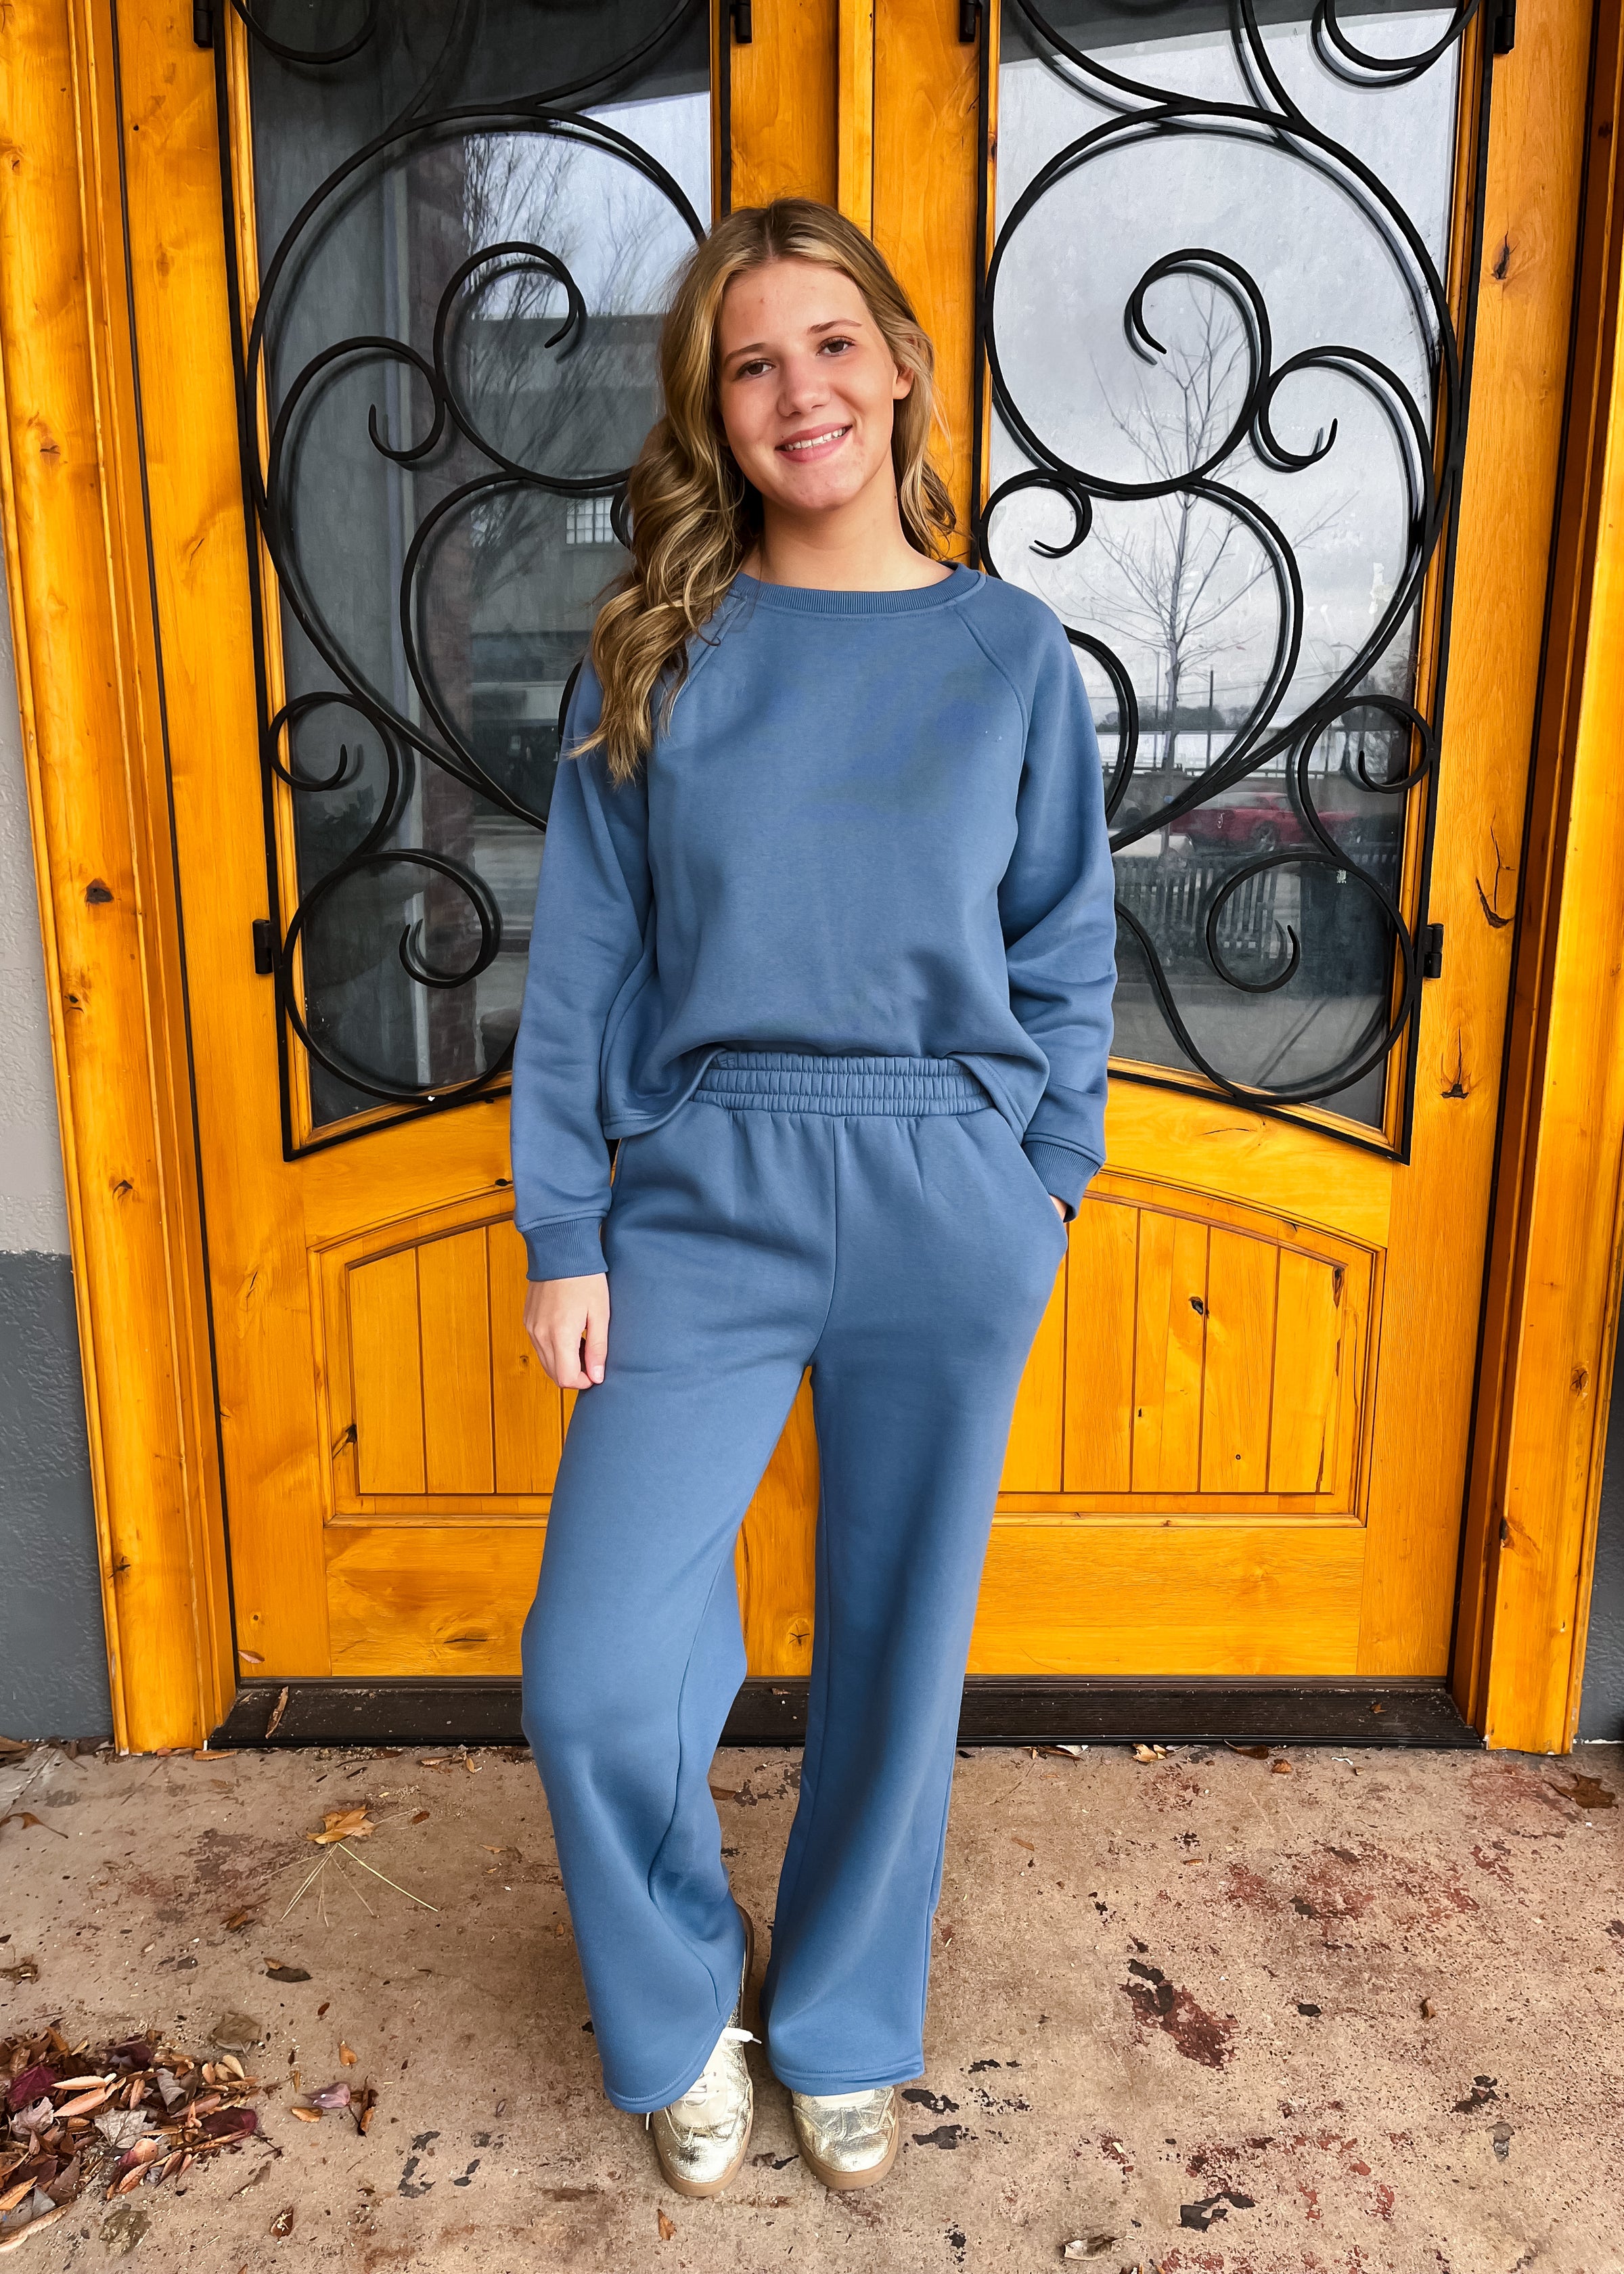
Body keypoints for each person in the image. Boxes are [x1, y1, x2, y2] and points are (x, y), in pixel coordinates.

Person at [511, 197, 1116, 2200]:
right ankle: (683, 2002)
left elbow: (1064, 949)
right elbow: (583, 970)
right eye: (752, 361)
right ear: (712, 406)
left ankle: (847, 2020)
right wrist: (566, 1229)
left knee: (898, 1644)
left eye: (834, 344)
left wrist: (1043, 1181)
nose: (802, 392)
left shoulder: (1009, 654)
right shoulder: (657, 653)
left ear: (905, 368)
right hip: (705, 1193)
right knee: (597, 1664)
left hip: (951, 1188)